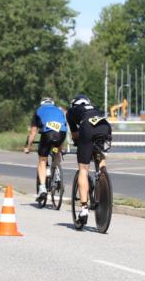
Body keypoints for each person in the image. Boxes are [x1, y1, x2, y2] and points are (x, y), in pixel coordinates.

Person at [66, 94, 112, 226]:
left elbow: (75, 134)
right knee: (100, 156)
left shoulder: (71, 111)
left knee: (83, 170)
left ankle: (84, 209)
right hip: (105, 126)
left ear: (74, 104)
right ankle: (101, 175)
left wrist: (79, 144)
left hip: (87, 127)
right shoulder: (94, 108)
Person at [24, 97, 67, 205]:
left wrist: (28, 146)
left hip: (48, 135)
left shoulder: (38, 111)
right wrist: (61, 147)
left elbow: (33, 132)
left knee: (42, 160)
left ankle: (42, 188)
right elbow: (64, 126)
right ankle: (57, 174)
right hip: (61, 134)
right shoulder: (59, 110)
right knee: (56, 151)